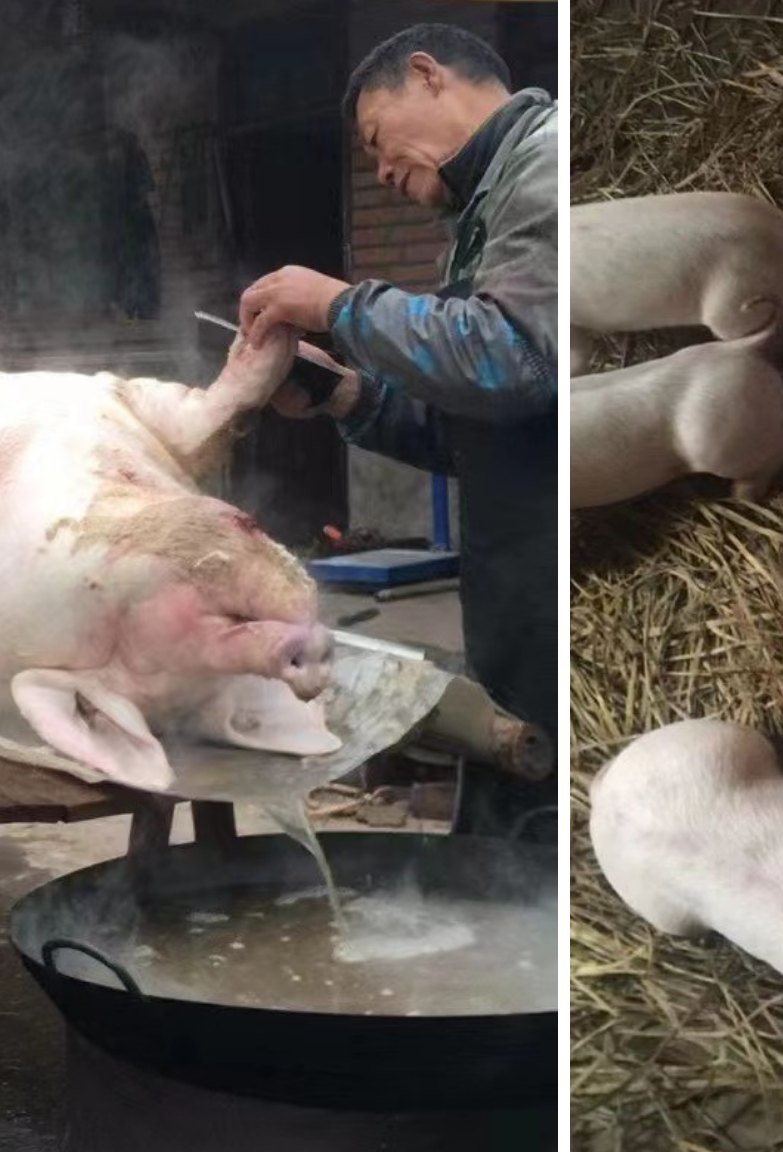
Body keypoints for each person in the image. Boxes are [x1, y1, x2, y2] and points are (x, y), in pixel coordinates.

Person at [238, 23, 556, 839]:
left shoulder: (548, 165)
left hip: (562, 586)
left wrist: (342, 304)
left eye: (378, 141)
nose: (379, 173)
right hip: (515, 610)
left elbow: (517, 363)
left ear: (427, 76)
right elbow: (476, 430)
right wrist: (344, 394)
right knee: (511, 831)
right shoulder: (483, 215)